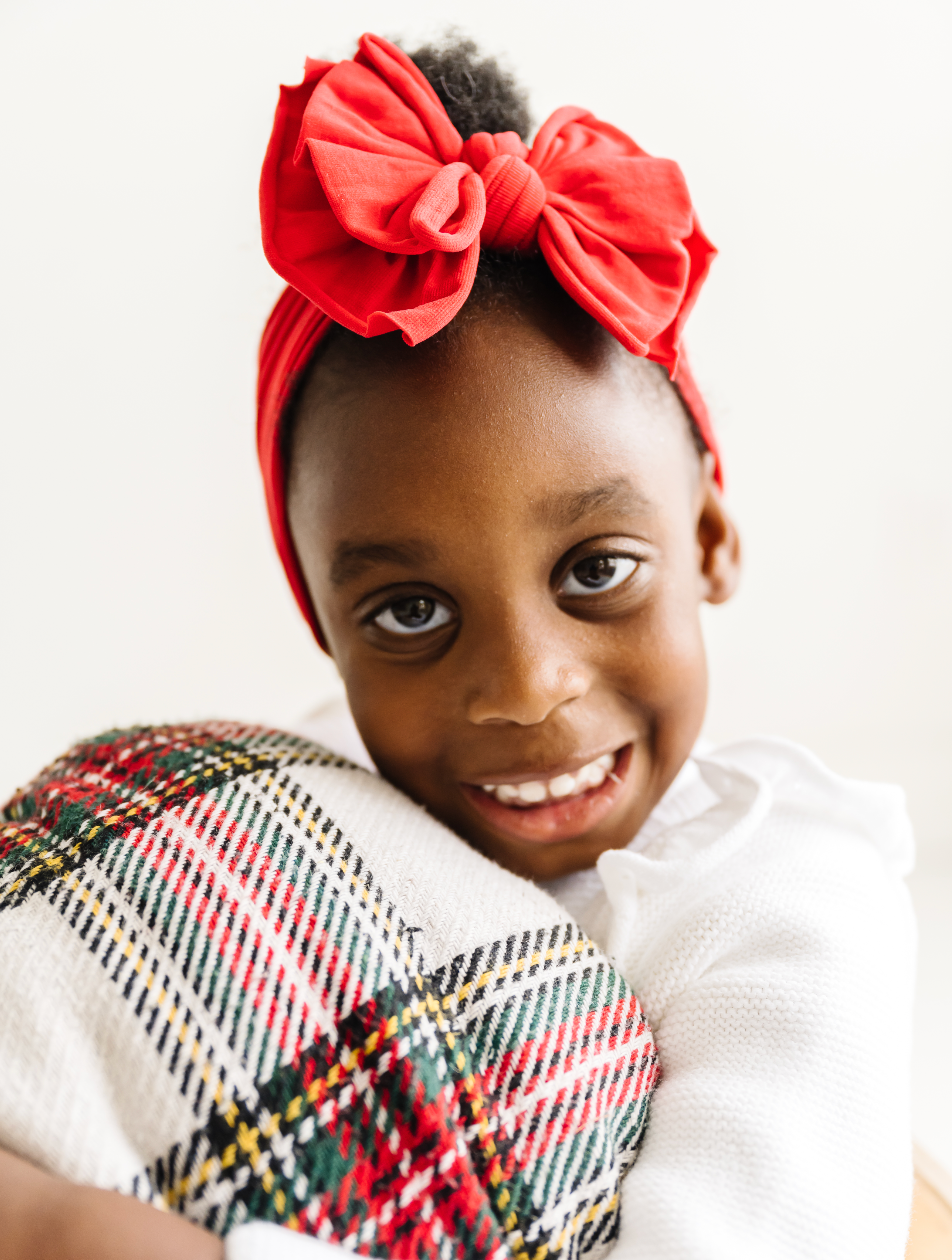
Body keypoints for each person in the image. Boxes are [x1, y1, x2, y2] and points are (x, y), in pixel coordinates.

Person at [0, 31, 916, 1260]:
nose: (527, 687)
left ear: (705, 539)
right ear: (323, 625)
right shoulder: (300, 809)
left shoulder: (782, 911)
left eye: (595, 573)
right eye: (412, 613)